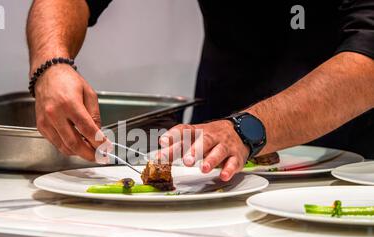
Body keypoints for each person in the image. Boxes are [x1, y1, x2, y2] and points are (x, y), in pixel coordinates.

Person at [27, 0, 374, 181]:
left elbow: (368, 54)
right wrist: (51, 64)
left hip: (349, 164)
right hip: (213, 161)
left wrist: (246, 129)